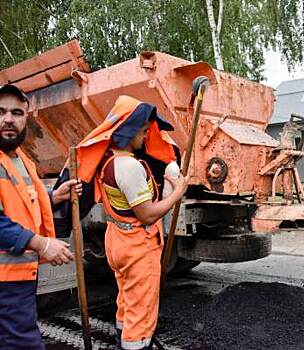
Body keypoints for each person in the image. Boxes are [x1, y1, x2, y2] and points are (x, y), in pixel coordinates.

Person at [76, 95, 187, 350]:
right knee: (142, 312)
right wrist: (177, 193)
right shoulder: (130, 167)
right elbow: (147, 214)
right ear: (130, 130)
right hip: (138, 246)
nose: (146, 136)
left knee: (127, 301)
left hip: (117, 240)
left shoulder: (108, 163)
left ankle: (121, 340)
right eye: (144, 131)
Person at [0, 84, 81, 350]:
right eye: (0, 112)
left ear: (26, 117)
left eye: (16, 112)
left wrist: (55, 196)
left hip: (18, 277)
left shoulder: (21, 160)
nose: (8, 119)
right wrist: (43, 244)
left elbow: (21, 203)